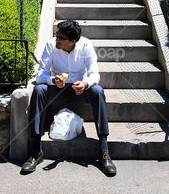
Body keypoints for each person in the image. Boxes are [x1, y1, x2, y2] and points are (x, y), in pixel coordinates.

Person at [21, 19, 116, 176]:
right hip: (57, 88)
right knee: (39, 90)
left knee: (98, 91)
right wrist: (53, 80)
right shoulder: (51, 45)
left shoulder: (85, 45)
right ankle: (36, 151)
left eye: (61, 38)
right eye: (57, 35)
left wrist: (85, 84)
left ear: (73, 41)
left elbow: (94, 74)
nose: (57, 40)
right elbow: (41, 74)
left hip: (79, 89)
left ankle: (104, 151)